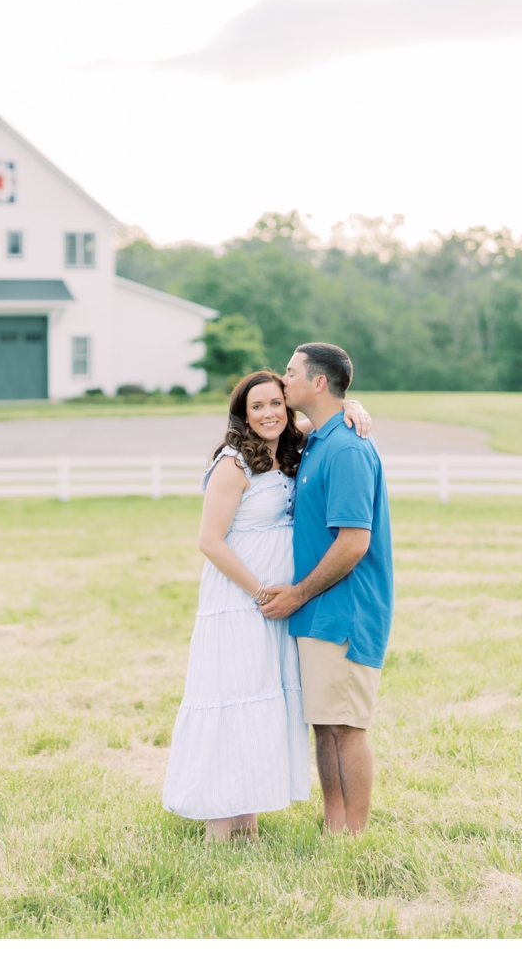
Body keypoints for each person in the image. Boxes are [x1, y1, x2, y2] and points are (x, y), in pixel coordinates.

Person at [161, 369, 371, 841]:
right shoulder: (233, 463)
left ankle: (248, 827)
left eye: (276, 402)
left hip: (278, 606)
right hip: (241, 602)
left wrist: (354, 409)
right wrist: (258, 592)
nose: (268, 412)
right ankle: (220, 826)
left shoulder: (292, 448)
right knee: (231, 699)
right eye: (257, 406)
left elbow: (332, 418)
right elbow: (209, 542)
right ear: (243, 413)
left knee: (261, 703)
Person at [260, 343, 393, 835]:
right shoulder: (320, 438)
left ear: (318, 382)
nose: (283, 380)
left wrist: (296, 593)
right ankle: (333, 824)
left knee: (346, 727)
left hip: (346, 611)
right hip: (318, 611)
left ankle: (352, 836)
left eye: (291, 373)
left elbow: (354, 543)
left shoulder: (348, 448)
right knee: (326, 723)